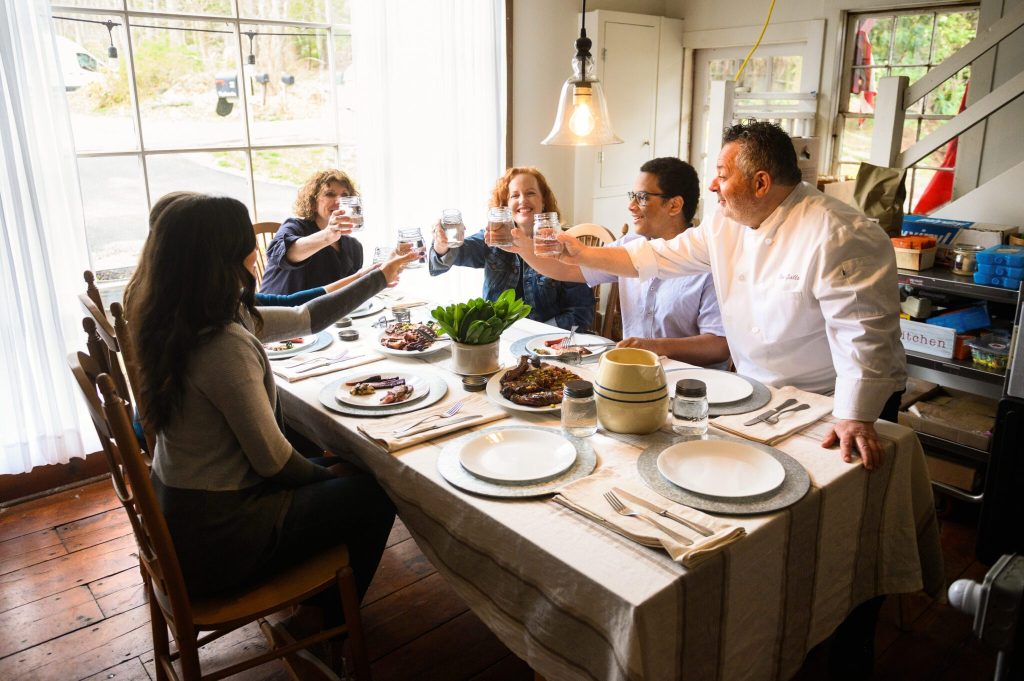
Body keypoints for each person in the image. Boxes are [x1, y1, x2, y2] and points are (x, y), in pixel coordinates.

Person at [124, 193, 415, 659]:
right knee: (376, 490)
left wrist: (380, 278)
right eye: (246, 243)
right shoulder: (221, 344)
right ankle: (320, 630)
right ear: (227, 255)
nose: (254, 253)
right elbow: (274, 460)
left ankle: (313, 608)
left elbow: (304, 318)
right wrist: (328, 476)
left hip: (185, 516)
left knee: (341, 467)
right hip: (221, 538)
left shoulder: (178, 319)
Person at [551, 121, 906, 472]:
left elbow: (862, 335)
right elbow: (657, 256)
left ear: (761, 183)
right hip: (760, 393)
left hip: (834, 401)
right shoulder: (725, 222)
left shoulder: (840, 233)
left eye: (723, 174)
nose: (712, 185)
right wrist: (582, 254)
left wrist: (855, 415)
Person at [507, 157, 730, 369]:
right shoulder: (629, 246)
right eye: (631, 195)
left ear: (674, 205)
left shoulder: (708, 261)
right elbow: (565, 269)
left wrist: (655, 347)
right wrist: (517, 245)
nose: (631, 206)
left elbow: (719, 346)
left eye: (641, 197)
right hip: (633, 372)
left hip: (691, 382)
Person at [428, 166, 595, 331]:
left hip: (548, 342)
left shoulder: (562, 245)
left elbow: (581, 314)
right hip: (498, 338)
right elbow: (454, 254)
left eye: (530, 193)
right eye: (515, 195)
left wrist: (536, 334)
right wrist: (442, 244)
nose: (522, 200)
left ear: (543, 201)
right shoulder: (493, 238)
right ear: (505, 206)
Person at [260, 169, 368, 295]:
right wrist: (327, 235)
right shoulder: (294, 227)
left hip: (321, 312)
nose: (339, 201)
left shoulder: (354, 247)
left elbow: (348, 293)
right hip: (279, 311)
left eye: (345, 196)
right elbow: (280, 254)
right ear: (312, 203)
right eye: (330, 194)